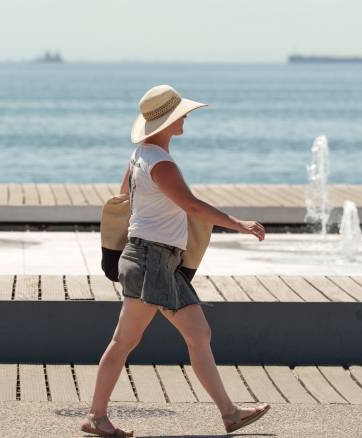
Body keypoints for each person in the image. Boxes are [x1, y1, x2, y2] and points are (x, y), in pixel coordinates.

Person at [81, 85, 270, 437]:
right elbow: (194, 206)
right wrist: (240, 224)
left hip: (158, 260)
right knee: (124, 341)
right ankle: (96, 416)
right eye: (182, 113)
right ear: (166, 122)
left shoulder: (141, 155)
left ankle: (230, 414)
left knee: (198, 333)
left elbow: (124, 197)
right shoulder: (161, 164)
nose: (186, 117)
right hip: (150, 261)